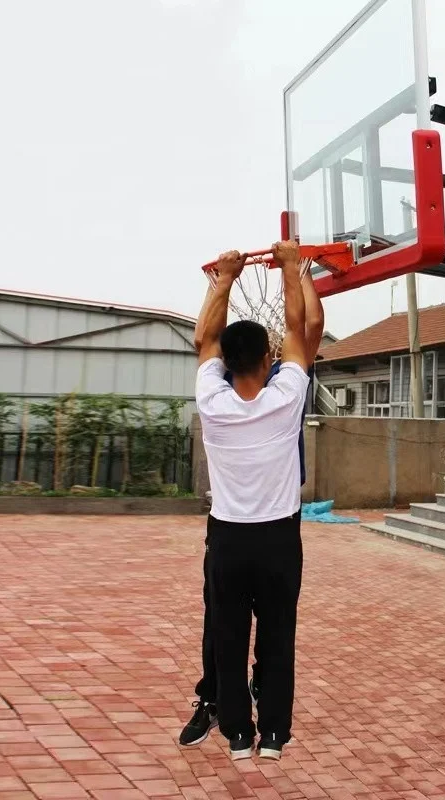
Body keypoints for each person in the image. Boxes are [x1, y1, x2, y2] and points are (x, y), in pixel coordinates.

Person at [180, 248, 324, 753]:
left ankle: (238, 734)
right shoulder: (285, 398)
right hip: (278, 540)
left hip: (228, 539)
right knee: (277, 637)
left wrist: (226, 277)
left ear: (224, 364)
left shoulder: (211, 403)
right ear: (268, 360)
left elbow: (205, 340)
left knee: (227, 634)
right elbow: (300, 328)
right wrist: (290, 268)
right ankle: (275, 736)